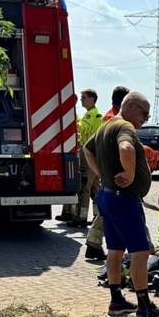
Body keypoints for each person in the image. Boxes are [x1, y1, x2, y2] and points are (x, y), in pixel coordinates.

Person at [82, 91, 159, 317]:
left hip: (107, 196)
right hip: (123, 199)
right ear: (131, 107)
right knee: (140, 252)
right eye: (144, 113)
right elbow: (127, 149)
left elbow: (87, 150)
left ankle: (117, 300)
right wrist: (131, 174)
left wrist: (101, 173)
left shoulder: (105, 126)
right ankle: (144, 306)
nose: (145, 118)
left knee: (114, 250)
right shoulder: (125, 127)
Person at [83, 85, 131, 258]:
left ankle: (93, 243)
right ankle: (143, 248)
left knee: (108, 209)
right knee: (119, 209)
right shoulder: (117, 120)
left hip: (108, 170)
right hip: (115, 172)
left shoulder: (108, 116)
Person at [65, 88, 101, 230]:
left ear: (92, 99)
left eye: (84, 98)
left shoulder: (90, 115)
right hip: (94, 154)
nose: (81, 100)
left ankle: (81, 218)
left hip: (88, 155)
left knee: (84, 188)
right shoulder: (95, 114)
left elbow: (79, 130)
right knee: (95, 189)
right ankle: (98, 216)